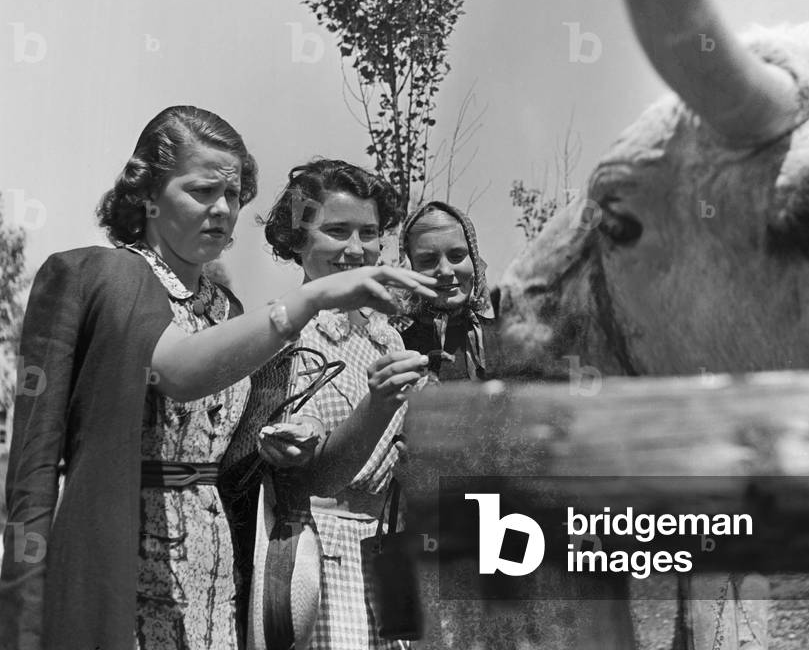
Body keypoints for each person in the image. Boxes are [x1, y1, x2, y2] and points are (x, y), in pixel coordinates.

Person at [0, 107, 435, 650]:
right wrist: (314, 296)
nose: (222, 210)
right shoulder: (103, 276)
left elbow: (244, 464)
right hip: (123, 559)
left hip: (217, 568)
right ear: (148, 193)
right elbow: (175, 371)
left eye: (233, 196)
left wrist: (283, 452)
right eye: (203, 191)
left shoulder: (224, 309)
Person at [255, 158, 430, 650]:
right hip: (316, 557)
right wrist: (376, 405)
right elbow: (309, 475)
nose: (355, 249)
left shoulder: (388, 336)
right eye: (336, 231)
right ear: (297, 239)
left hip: (387, 557)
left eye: (369, 232)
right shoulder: (284, 333)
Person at [397, 200, 497, 382]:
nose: (445, 270)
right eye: (428, 260)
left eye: (457, 256)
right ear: (410, 269)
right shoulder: (397, 349)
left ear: (475, 261)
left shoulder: (508, 342)